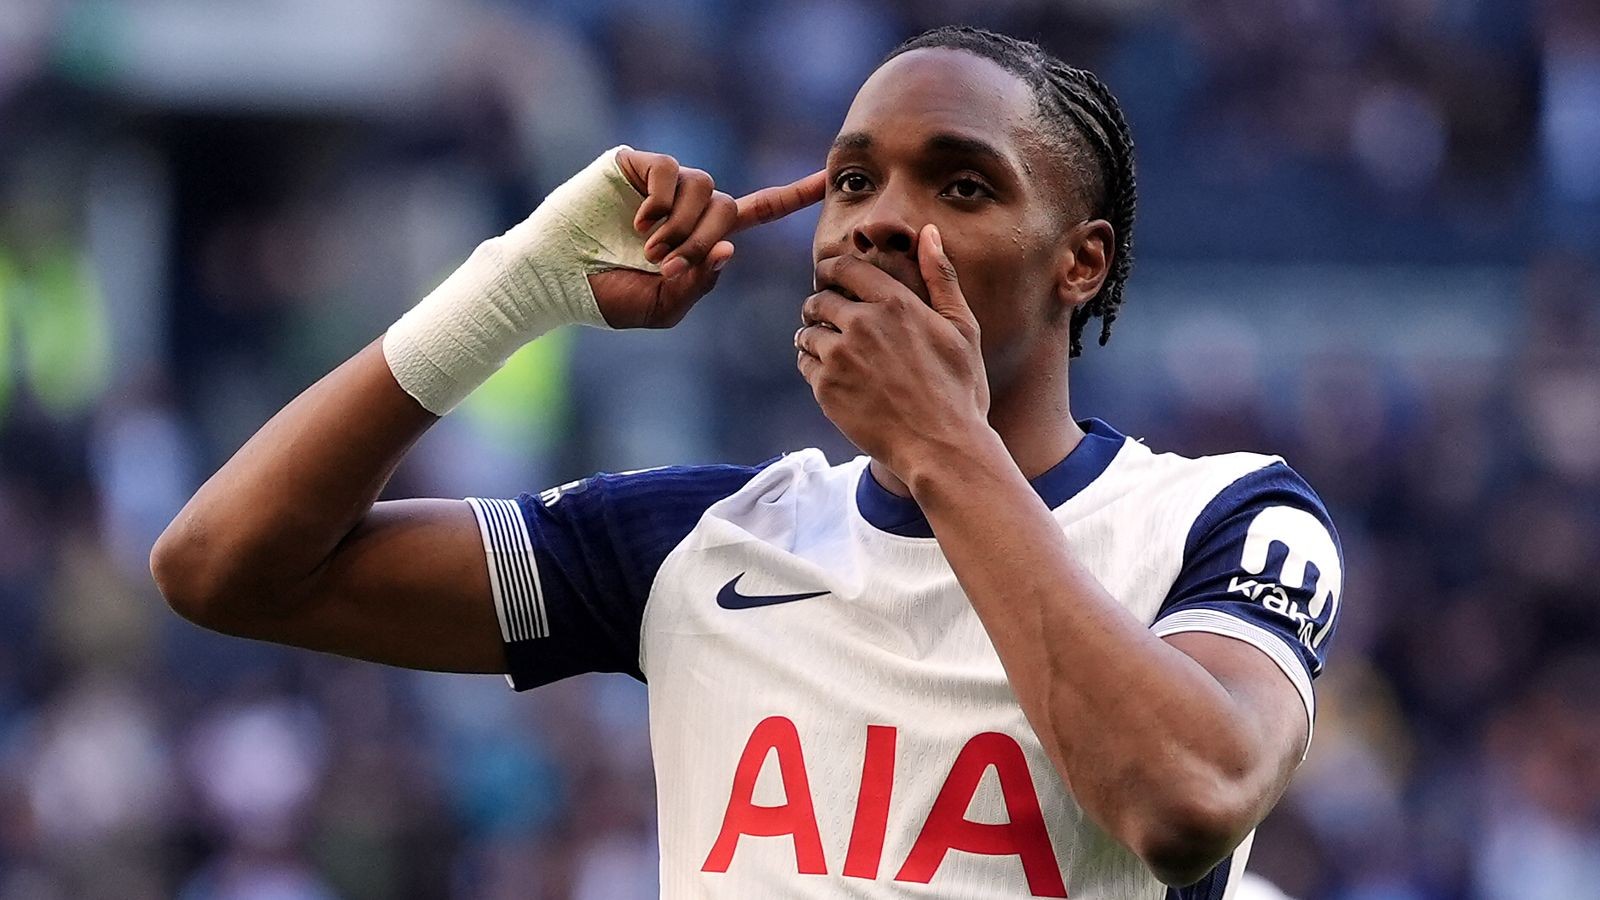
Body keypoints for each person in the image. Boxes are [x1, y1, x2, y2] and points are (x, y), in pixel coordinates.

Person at [153, 25, 1342, 899]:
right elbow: (224, 569)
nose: (878, 218)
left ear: (1079, 264)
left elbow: (1184, 800)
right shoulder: (705, 540)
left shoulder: (1219, 519)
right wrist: (512, 288)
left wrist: (942, 442)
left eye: (963, 183)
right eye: (853, 180)